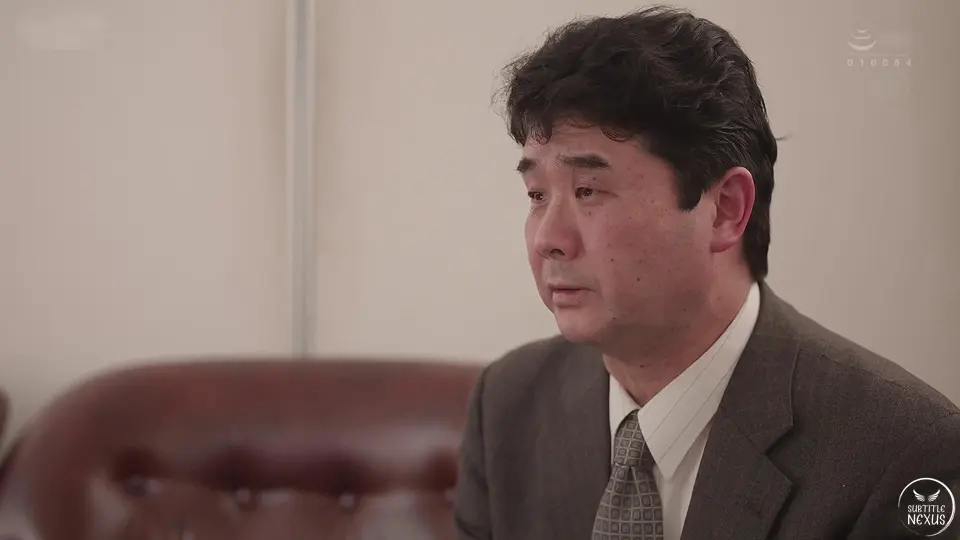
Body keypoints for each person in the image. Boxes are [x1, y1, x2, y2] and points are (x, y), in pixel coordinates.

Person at [453, 5, 960, 540]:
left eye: (588, 190)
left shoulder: (901, 453)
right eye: (536, 195)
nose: (547, 239)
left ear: (725, 209)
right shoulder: (507, 405)